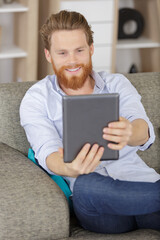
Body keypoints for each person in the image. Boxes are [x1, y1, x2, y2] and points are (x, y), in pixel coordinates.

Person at [20, 10, 160, 234]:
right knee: (86, 185)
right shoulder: (37, 98)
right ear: (48, 55)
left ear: (91, 49)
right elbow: (47, 152)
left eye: (79, 50)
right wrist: (69, 167)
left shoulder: (117, 84)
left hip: (141, 188)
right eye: (62, 53)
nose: (72, 60)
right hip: (97, 205)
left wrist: (130, 131)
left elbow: (143, 130)